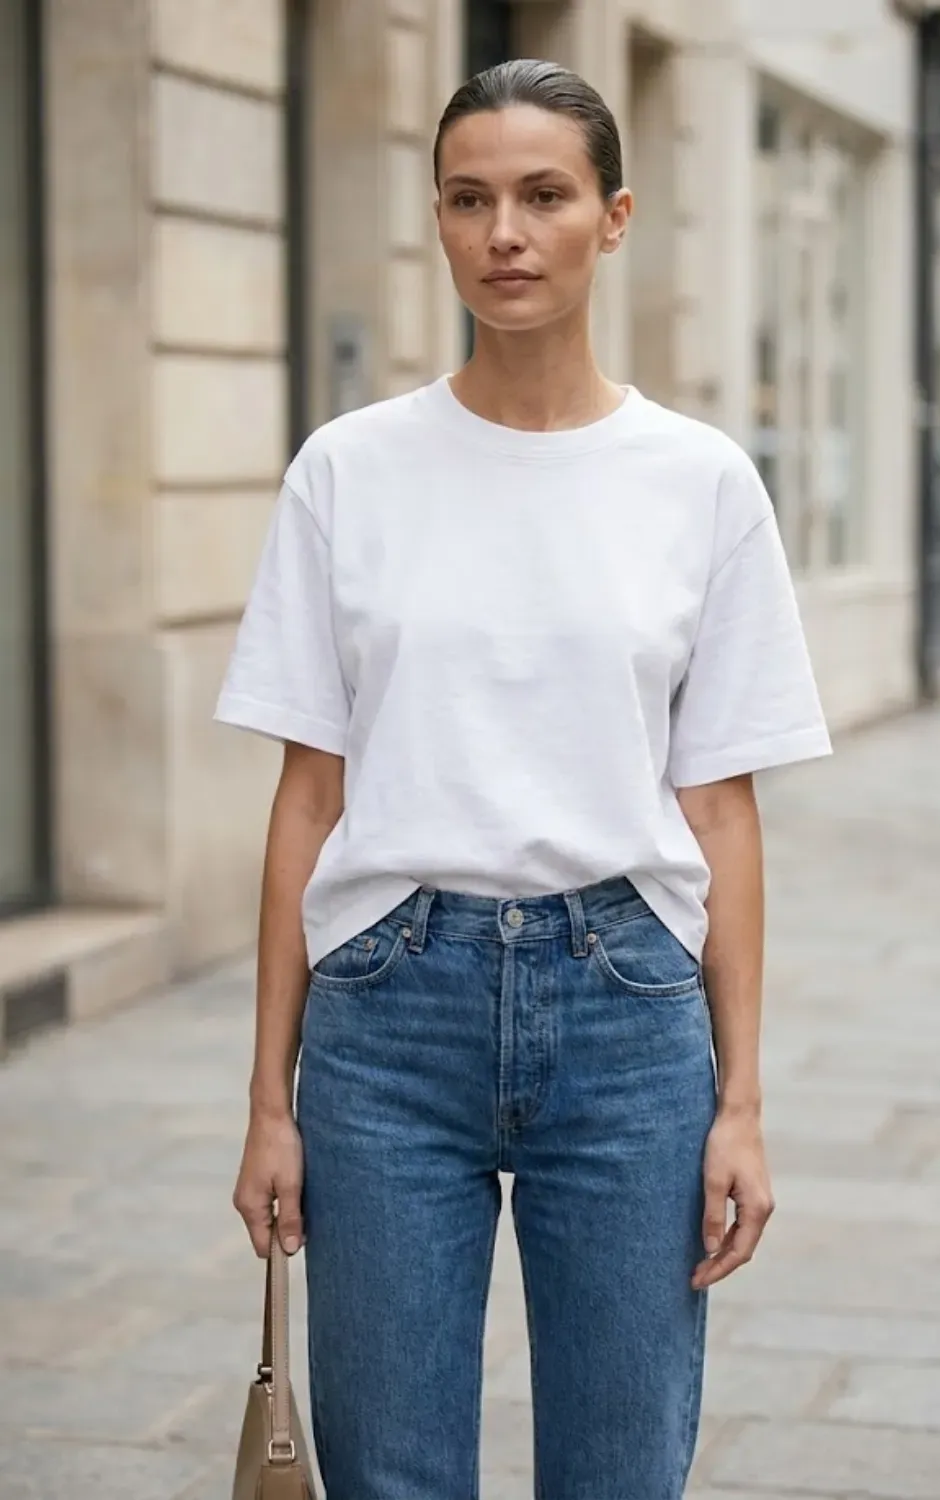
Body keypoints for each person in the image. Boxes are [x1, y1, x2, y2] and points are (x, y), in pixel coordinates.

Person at [216, 57, 831, 1500]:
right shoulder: (346, 473)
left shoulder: (699, 483)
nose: (506, 232)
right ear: (436, 220)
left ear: (611, 219)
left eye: (544, 196)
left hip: (628, 1013)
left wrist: (739, 1101)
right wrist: (268, 1099)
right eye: (470, 198)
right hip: (385, 1014)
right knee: (389, 1476)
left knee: (622, 1471)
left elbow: (721, 810)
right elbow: (309, 798)